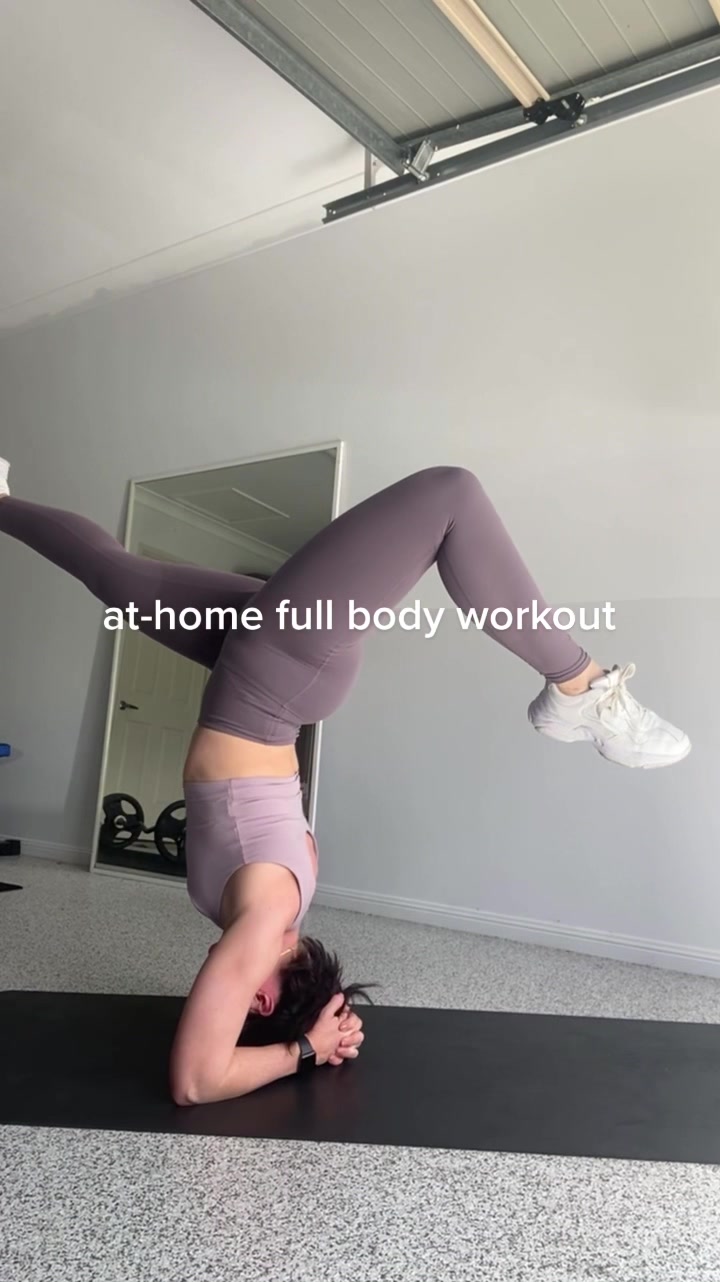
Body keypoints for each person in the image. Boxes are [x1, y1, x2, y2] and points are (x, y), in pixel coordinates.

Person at [0, 458, 690, 1105]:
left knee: (113, 572)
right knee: (451, 495)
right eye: (240, 1000)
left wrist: (324, 1024)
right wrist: (305, 1047)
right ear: (261, 998)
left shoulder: (276, 909)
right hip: (277, 672)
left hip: (262, 670)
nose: (216, 984)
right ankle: (578, 686)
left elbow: (221, 1045)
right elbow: (195, 1081)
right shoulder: (265, 920)